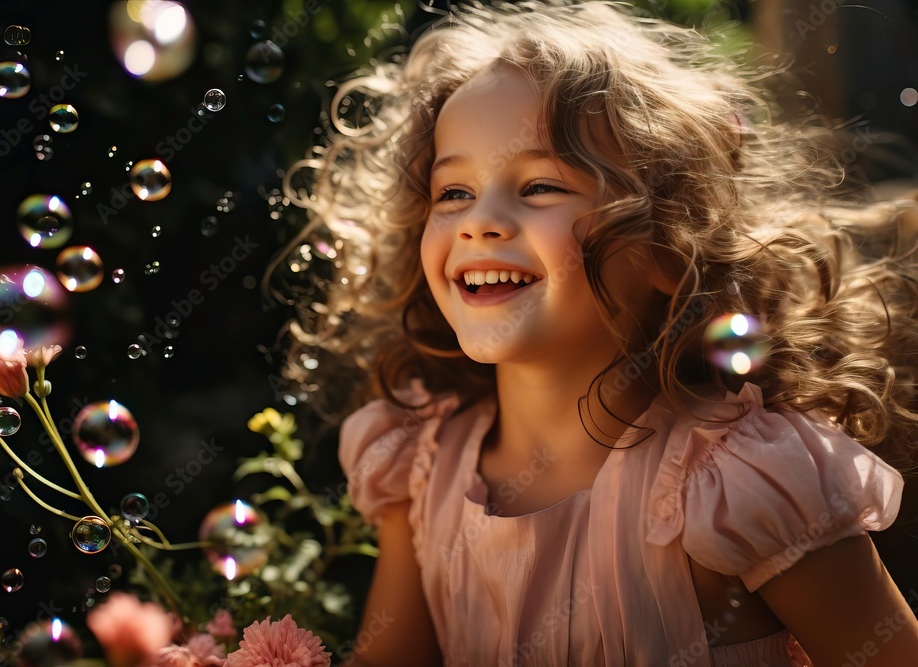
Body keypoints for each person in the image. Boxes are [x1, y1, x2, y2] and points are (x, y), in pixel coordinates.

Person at [275, 1, 918, 664]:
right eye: (454, 193)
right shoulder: (421, 471)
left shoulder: (736, 486)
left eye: (542, 185)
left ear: (670, 246)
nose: (480, 222)